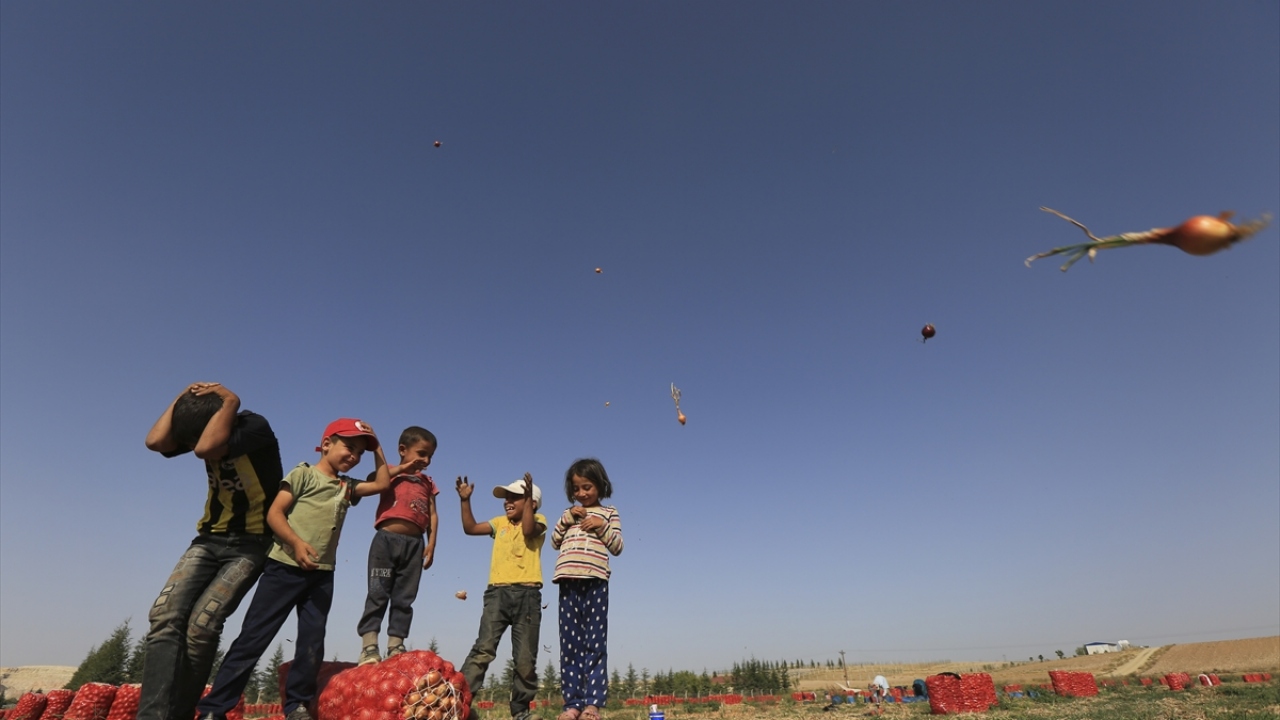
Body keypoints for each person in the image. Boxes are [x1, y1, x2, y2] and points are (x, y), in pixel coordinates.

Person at [196, 418, 400, 720]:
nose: (354, 456)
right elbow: (275, 514)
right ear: (327, 444)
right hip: (284, 569)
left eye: (360, 452)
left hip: (322, 575)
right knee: (254, 638)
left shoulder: (347, 487)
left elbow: (382, 484)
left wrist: (377, 447)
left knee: (311, 642)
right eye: (349, 447)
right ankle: (214, 708)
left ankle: (296, 705)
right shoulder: (303, 474)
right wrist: (296, 543)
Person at [139, 383, 283, 720]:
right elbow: (156, 441)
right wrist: (181, 397)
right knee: (164, 616)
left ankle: (181, 713)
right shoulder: (201, 433)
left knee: (202, 627)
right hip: (208, 539)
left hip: (252, 544)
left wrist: (231, 399)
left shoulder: (254, 427)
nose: (192, 445)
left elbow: (206, 447)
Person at [456, 473, 546, 720]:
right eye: (506, 497)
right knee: (483, 649)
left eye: (515, 497)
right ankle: (457, 705)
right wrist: (465, 501)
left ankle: (521, 711)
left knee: (525, 658)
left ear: (532, 503)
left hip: (528, 596)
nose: (507, 501)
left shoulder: (539, 521)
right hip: (497, 594)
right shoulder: (499, 523)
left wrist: (528, 505)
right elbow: (470, 528)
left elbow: (528, 529)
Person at [357, 426, 439, 665]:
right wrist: (402, 469)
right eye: (421, 454)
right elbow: (372, 482)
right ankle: (369, 645)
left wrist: (432, 543)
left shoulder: (427, 482)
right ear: (403, 450)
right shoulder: (390, 473)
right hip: (386, 542)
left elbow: (433, 514)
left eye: (430, 456)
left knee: (405, 597)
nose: (426, 461)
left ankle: (395, 645)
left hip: (415, 545)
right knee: (377, 592)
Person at [549, 459, 623, 720]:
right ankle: (572, 704)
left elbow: (617, 546)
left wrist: (600, 526)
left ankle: (592, 704)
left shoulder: (609, 513)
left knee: (594, 642)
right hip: (568, 581)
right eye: (576, 489)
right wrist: (567, 518)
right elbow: (554, 541)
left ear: (600, 486)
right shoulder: (569, 514)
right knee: (570, 645)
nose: (581, 493)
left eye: (587, 487)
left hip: (595, 581)